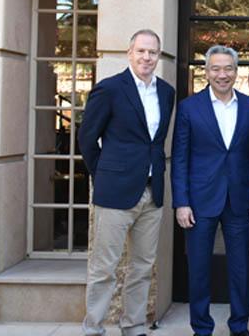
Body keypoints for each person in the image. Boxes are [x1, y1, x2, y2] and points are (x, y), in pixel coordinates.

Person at [78, 29, 175, 336]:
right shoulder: (109, 89)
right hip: (115, 192)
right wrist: (104, 173)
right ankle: (93, 328)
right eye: (141, 51)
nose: (147, 57)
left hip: (152, 192)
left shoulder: (166, 92)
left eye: (153, 52)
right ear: (129, 53)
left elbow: (155, 142)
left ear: (158, 56)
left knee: (143, 267)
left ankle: (133, 327)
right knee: (104, 268)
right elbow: (87, 138)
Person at [171, 45, 249, 336]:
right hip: (199, 202)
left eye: (228, 68)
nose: (222, 74)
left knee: (240, 269)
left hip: (239, 200)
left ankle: (239, 326)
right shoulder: (189, 107)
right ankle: (201, 328)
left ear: (236, 72)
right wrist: (181, 202)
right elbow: (180, 158)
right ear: (206, 71)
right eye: (216, 68)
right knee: (199, 269)